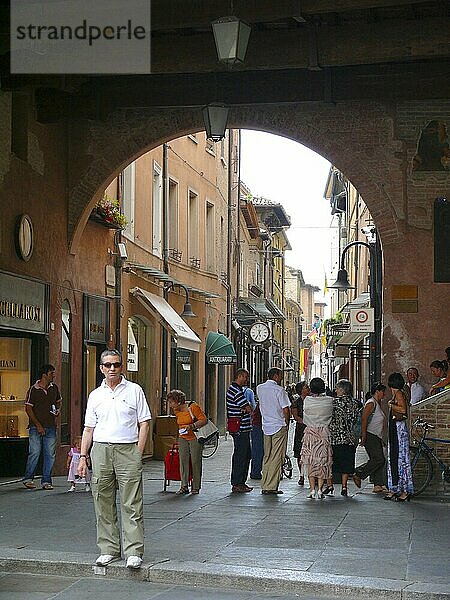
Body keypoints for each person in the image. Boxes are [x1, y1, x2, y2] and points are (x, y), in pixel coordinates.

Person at [78, 349, 151, 570]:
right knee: (102, 501)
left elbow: (145, 422)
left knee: (132, 502)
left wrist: (138, 452)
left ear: (122, 367)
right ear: (101, 368)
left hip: (128, 449)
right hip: (100, 450)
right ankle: (108, 549)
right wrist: (83, 456)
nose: (112, 369)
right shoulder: (95, 395)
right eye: (108, 365)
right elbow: (88, 428)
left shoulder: (134, 390)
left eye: (116, 365)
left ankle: (133, 551)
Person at [22, 364, 61, 491]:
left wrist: (58, 411)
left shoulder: (54, 388)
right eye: (51, 373)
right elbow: (28, 408)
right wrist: (38, 425)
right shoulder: (33, 389)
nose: (53, 375)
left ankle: (46, 481)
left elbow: (58, 401)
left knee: (50, 454)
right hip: (35, 427)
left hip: (50, 426)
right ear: (44, 375)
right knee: (35, 452)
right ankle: (28, 478)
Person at [257, 367, 291, 495]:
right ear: (276, 376)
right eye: (281, 375)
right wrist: (287, 423)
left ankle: (265, 482)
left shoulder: (260, 388)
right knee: (277, 456)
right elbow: (285, 409)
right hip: (278, 425)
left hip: (266, 425)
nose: (282, 378)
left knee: (267, 455)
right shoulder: (279, 390)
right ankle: (271, 486)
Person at [167, 389, 207, 495]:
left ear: (178, 401)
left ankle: (196, 487)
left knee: (195, 461)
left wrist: (192, 426)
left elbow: (204, 420)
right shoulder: (176, 410)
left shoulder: (192, 407)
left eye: (171, 402)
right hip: (183, 437)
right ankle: (184, 486)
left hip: (195, 437)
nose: (170, 405)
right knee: (183, 461)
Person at [300, 377, 333, 500]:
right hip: (323, 433)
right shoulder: (329, 400)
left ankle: (312, 489)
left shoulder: (307, 400)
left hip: (310, 433)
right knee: (322, 462)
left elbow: (305, 416)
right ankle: (320, 489)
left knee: (310, 462)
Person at [327, 379, 360, 497]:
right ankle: (344, 487)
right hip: (349, 437)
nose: (335, 390)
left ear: (342, 389)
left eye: (337, 388)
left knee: (331, 461)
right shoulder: (355, 403)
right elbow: (356, 418)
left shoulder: (334, 402)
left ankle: (330, 485)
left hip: (335, 436)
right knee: (346, 463)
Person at [384, 373, 414, 502]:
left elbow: (403, 410)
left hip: (399, 430)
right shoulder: (396, 393)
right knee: (395, 458)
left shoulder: (399, 394)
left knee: (400, 459)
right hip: (395, 429)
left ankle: (404, 490)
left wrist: (391, 405)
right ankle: (395, 488)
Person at [353, 383, 388, 493]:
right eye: (383, 391)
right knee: (378, 459)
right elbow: (364, 419)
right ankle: (358, 473)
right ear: (377, 391)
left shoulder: (377, 403)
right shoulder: (371, 403)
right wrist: (363, 436)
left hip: (376, 436)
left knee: (378, 459)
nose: (384, 394)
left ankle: (377, 484)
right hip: (370, 435)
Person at [226, 368, 253, 493]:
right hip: (240, 428)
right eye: (245, 377)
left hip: (242, 428)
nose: (247, 380)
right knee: (241, 456)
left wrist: (246, 408)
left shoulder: (236, 390)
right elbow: (248, 408)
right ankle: (237, 483)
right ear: (240, 376)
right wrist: (246, 408)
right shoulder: (236, 391)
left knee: (246, 454)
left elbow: (247, 408)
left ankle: (241, 482)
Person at [291, 381, 309, 485]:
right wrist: (305, 421)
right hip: (301, 429)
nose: (308, 389)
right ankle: (301, 475)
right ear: (301, 390)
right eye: (306, 387)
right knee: (299, 453)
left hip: (311, 428)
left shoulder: (312, 400)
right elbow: (296, 416)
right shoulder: (296, 402)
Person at [249, 399, 264, 480]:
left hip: (259, 425)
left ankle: (256, 471)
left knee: (258, 450)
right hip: (259, 425)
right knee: (258, 450)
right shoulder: (264, 401)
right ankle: (255, 472)